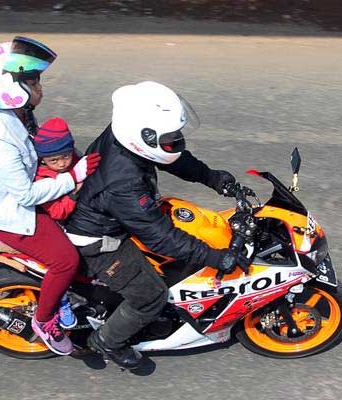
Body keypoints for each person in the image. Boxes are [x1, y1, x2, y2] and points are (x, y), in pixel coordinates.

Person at [64, 81, 246, 369]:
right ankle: (107, 342)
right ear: (143, 136)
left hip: (110, 213)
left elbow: (170, 156)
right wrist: (215, 257)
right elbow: (161, 238)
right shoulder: (123, 183)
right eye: (170, 137)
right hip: (98, 241)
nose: (176, 140)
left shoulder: (126, 136)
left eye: (176, 135)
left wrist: (210, 177)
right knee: (150, 296)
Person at [0, 37, 100, 356]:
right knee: (66, 259)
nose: (40, 86)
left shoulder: (21, 114)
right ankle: (45, 320)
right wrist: (74, 176)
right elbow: (26, 195)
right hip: (7, 213)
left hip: (24, 191)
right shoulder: (0, 138)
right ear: (10, 87)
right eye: (33, 80)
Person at [33, 117, 83, 328]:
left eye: (65, 156)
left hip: (77, 213)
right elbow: (57, 211)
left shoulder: (75, 162)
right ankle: (61, 298)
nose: (62, 163)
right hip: (57, 223)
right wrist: (74, 193)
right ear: (43, 160)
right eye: (55, 160)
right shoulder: (42, 180)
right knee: (69, 260)